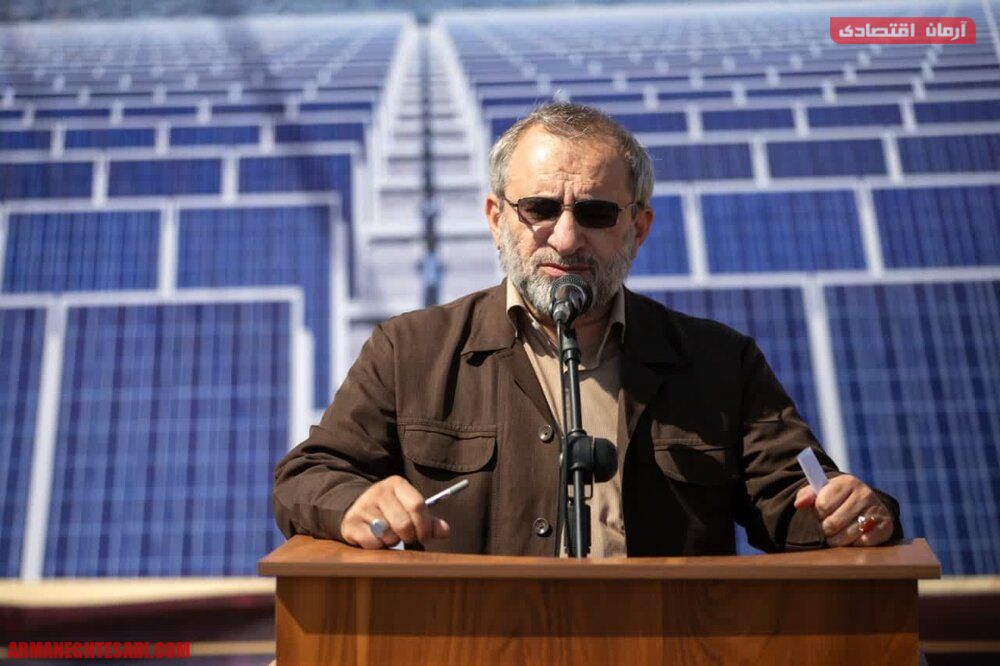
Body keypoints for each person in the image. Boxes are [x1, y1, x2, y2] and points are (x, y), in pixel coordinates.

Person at [273, 102, 902, 556]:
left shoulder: (719, 361)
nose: (567, 237)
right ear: (496, 218)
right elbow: (308, 476)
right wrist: (354, 503)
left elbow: (799, 494)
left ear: (639, 227)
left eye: (597, 213)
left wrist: (853, 513)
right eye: (539, 208)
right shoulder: (409, 350)